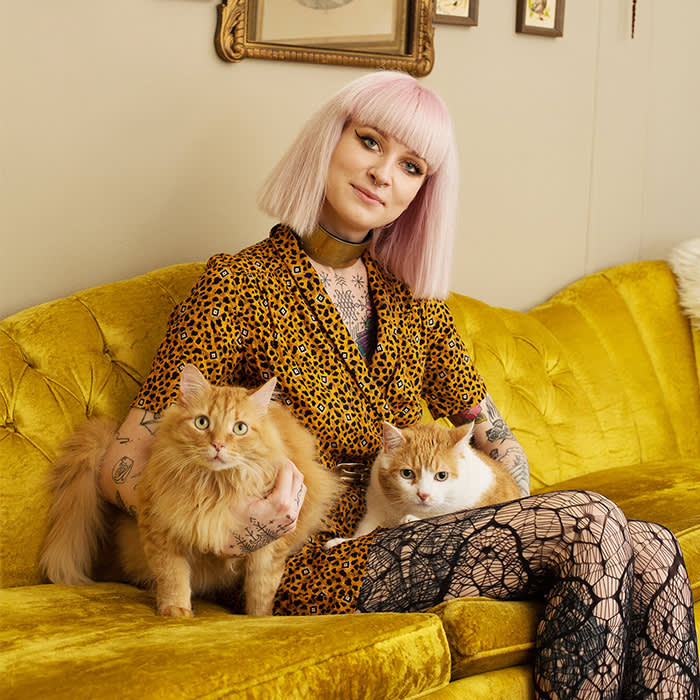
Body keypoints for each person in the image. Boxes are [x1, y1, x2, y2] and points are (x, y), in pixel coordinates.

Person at [98, 71, 699, 699]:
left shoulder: (412, 298)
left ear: (421, 193)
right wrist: (234, 528)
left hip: (424, 525)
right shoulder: (238, 284)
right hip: (309, 557)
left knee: (651, 546)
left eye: (412, 166)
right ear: (328, 141)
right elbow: (120, 463)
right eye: (370, 142)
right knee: (592, 521)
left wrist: (511, 516)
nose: (385, 174)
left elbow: (499, 442)